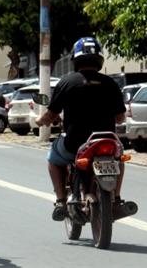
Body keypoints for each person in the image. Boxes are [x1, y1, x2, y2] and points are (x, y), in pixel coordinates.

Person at [35, 37, 127, 221]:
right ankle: (116, 199)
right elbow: (120, 117)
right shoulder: (110, 83)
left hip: (75, 144)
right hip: (106, 142)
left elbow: (50, 115)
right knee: (119, 159)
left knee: (53, 158)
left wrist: (39, 121)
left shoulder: (67, 82)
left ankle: (61, 201)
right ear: (99, 59)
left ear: (75, 59)